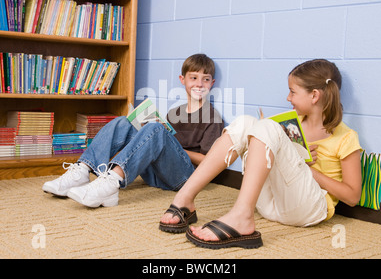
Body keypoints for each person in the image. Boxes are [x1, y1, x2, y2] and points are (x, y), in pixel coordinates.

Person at [159, 59, 362, 249]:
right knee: (247, 122)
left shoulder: (345, 136)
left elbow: (352, 196)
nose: (288, 98)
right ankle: (185, 198)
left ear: (315, 95)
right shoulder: (292, 123)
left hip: (308, 209)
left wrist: (307, 169)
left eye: (292, 92)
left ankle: (241, 216)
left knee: (268, 127)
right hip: (269, 205)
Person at [42, 53, 225, 208]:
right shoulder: (174, 112)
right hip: (156, 173)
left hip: (185, 178)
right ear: (182, 80)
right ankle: (83, 170)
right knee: (124, 121)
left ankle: (112, 182)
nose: (199, 84)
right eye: (194, 78)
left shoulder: (212, 117)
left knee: (156, 130)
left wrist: (168, 143)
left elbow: (209, 162)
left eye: (206, 79)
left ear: (212, 83)